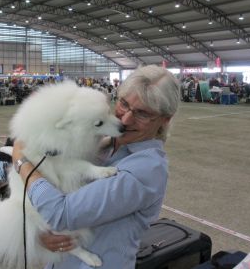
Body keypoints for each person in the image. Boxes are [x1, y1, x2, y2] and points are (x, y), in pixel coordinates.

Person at [12, 65, 180, 269]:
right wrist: (40, 234)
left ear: (165, 119)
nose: (125, 119)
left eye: (143, 114)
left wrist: (21, 161)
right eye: (124, 104)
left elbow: (60, 214)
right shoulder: (105, 144)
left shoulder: (147, 170)